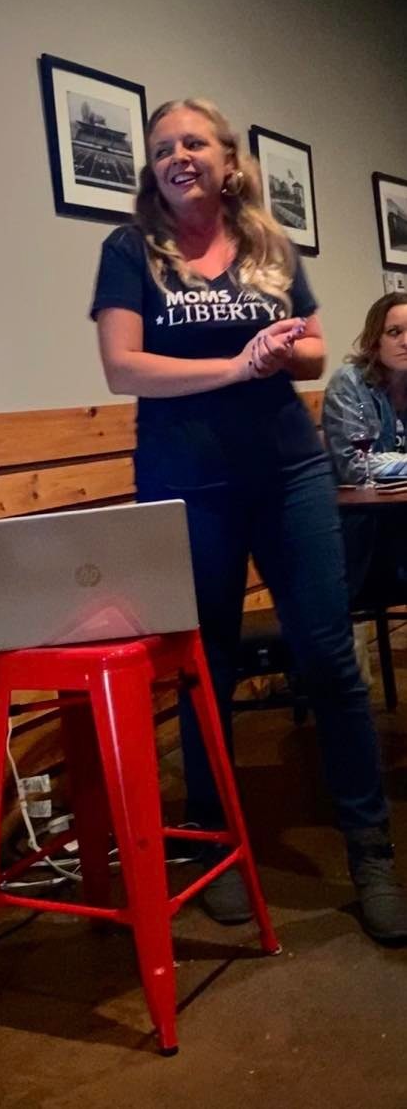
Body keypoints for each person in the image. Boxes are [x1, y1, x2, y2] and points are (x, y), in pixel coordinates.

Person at [89, 96, 407, 943]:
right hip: (185, 480)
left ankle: (369, 850)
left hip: (288, 473)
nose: (177, 155)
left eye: (193, 141)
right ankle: (212, 841)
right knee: (207, 666)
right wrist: (234, 366)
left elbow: (314, 348)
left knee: (328, 658)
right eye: (162, 146)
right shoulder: (128, 249)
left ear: (228, 161)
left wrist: (276, 351)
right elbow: (122, 368)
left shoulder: (269, 242)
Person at [322, 292, 407, 611]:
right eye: (394, 332)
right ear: (374, 340)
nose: (406, 342)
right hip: (364, 532)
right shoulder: (350, 384)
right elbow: (357, 468)